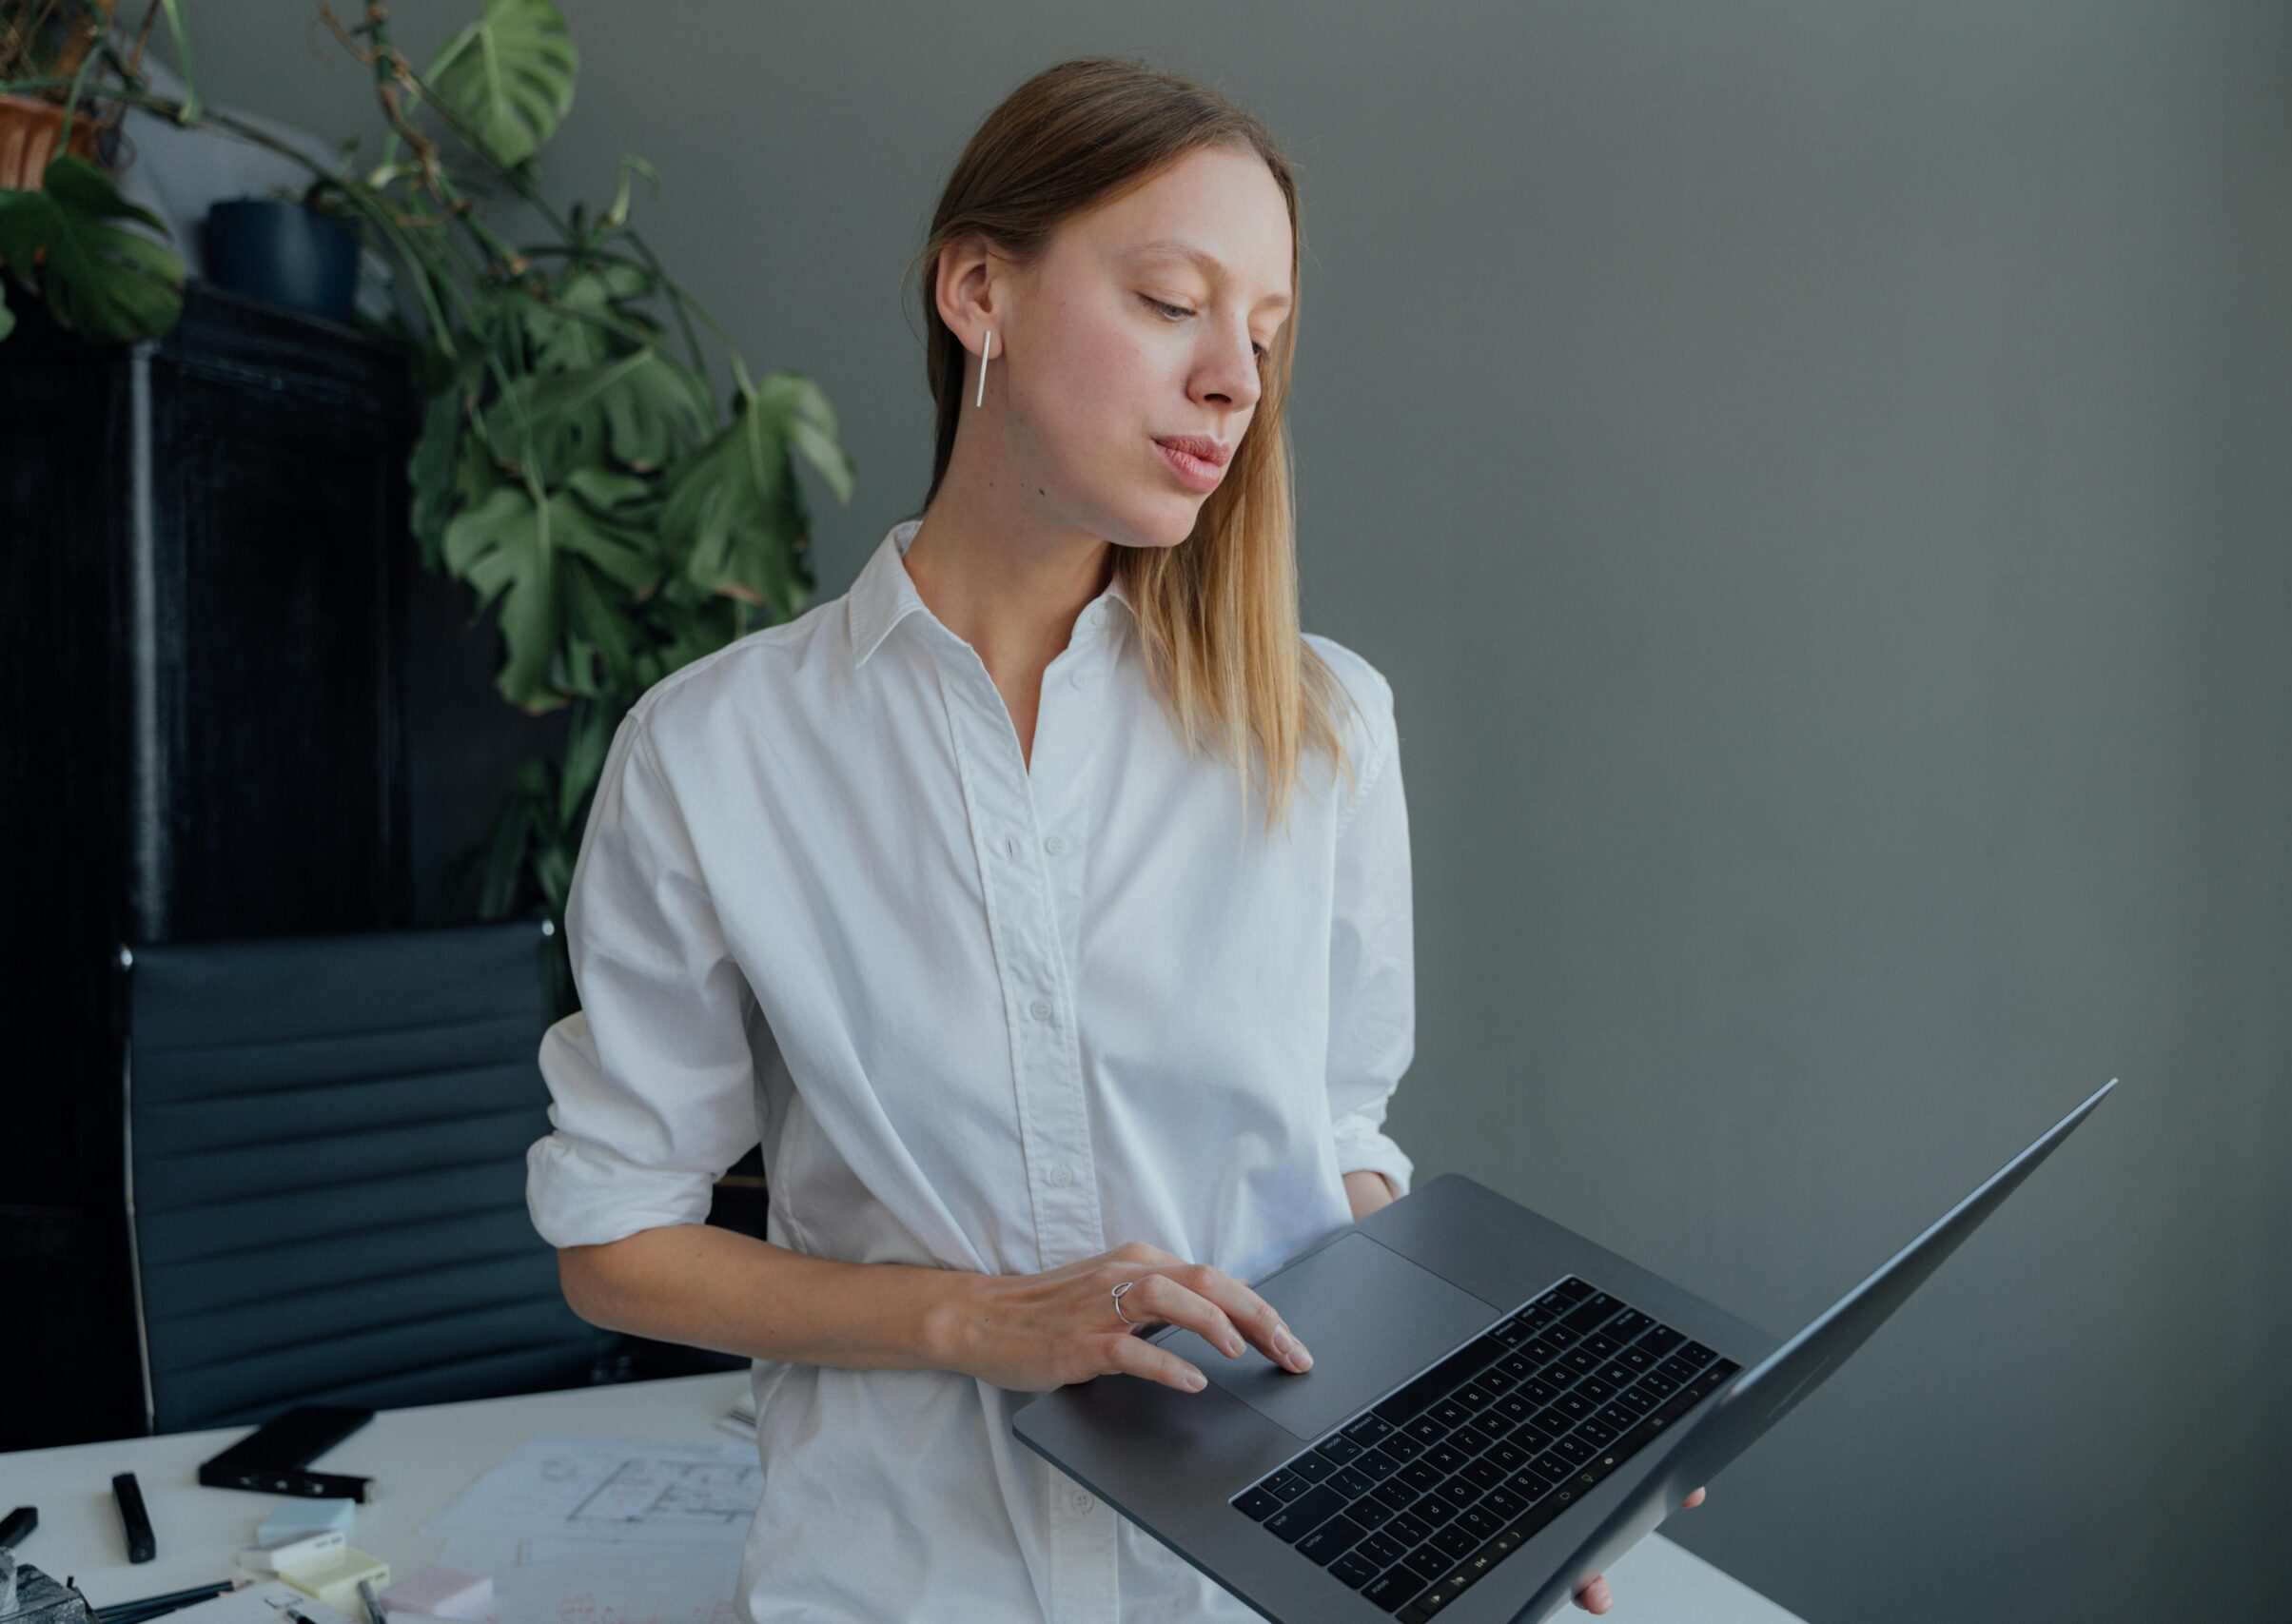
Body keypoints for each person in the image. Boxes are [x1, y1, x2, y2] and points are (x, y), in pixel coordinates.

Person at [523, 54, 1701, 1623]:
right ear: (977, 291)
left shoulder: (1324, 725)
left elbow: (1335, 1157)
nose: (1235, 378)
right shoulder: (715, 752)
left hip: (1264, 1588)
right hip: (898, 1585)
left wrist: (1500, 1453)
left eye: (1266, 335)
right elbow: (616, 1243)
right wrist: (977, 1323)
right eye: (1171, 301)